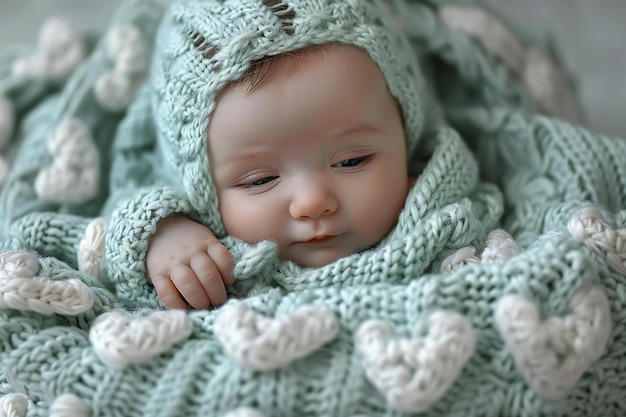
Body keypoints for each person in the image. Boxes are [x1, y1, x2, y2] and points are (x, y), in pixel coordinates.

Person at [146, 43, 415, 310]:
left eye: (350, 161)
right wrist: (164, 234)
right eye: (260, 180)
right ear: (201, 190)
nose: (312, 202)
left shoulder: (447, 221)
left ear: (405, 136)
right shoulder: (218, 261)